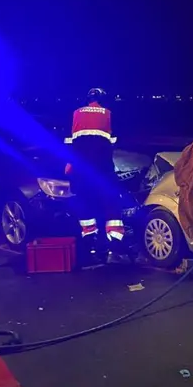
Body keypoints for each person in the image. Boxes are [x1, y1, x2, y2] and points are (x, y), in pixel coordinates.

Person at [66, 88, 126, 267]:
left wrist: (70, 165)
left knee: (86, 211)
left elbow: (73, 144)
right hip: (103, 172)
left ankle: (87, 251)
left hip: (82, 173)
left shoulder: (77, 113)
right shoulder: (107, 114)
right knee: (112, 209)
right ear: (102, 100)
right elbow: (111, 144)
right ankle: (115, 251)